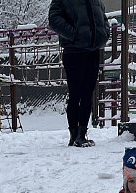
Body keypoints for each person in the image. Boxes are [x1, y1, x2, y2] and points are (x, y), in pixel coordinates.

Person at [48, 0, 109, 147]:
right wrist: (74, 34)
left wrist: (104, 34)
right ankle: (74, 134)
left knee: (87, 94)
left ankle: (82, 134)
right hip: (74, 51)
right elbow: (54, 19)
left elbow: (103, 18)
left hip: (93, 50)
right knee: (75, 93)